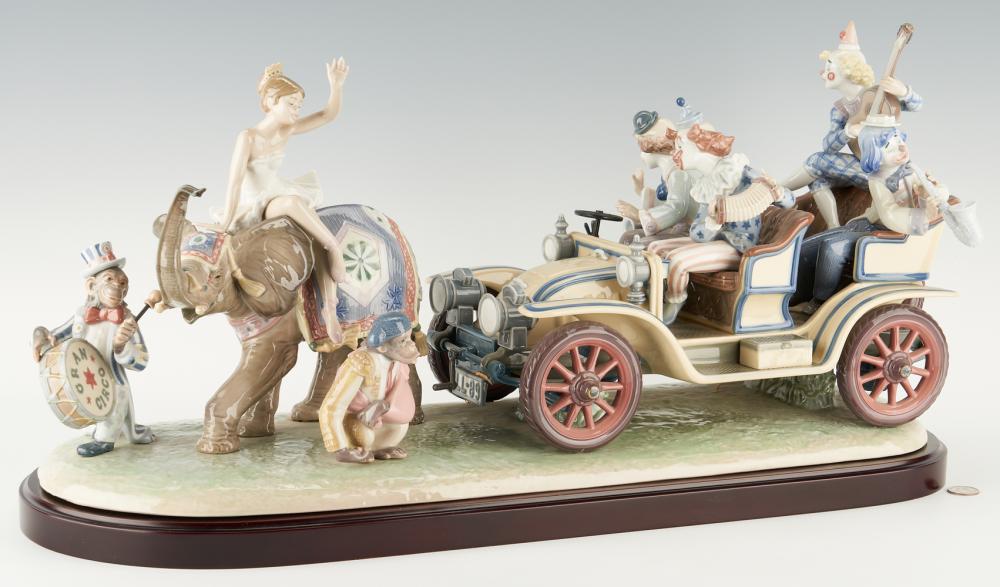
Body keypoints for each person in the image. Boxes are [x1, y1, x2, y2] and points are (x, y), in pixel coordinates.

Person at [217, 60, 351, 341]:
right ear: (270, 101)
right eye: (291, 103)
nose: (296, 110)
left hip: (278, 192)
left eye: (298, 105)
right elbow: (235, 183)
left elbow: (327, 115)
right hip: (257, 204)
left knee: (312, 230)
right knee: (292, 204)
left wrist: (336, 86)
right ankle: (334, 247)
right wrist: (226, 222)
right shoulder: (248, 137)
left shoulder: (287, 130)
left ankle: (330, 306)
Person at [791, 118, 940, 315]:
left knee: (833, 247)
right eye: (890, 147)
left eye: (899, 140)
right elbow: (887, 212)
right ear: (874, 157)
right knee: (808, 246)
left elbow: (934, 196)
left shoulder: (912, 172)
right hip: (872, 226)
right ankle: (793, 297)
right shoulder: (877, 180)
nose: (901, 148)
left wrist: (931, 197)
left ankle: (820, 303)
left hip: (889, 234)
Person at [648, 123, 794, 324]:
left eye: (680, 148)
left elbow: (789, 201)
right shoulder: (707, 184)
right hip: (715, 241)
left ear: (700, 147)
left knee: (678, 262)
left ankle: (674, 302)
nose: (674, 153)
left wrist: (778, 192)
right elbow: (698, 234)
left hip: (738, 246)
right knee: (654, 248)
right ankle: (653, 298)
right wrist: (712, 222)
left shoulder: (739, 172)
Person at [782, 21, 923, 228]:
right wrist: (848, 131)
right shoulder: (840, 110)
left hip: (881, 169)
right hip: (860, 166)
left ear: (848, 71)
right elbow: (829, 146)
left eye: (829, 67)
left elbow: (917, 105)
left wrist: (904, 92)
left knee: (816, 161)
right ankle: (833, 227)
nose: (823, 73)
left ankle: (776, 190)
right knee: (817, 180)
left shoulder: (879, 96)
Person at [32, 242, 160, 457]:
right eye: (109, 280)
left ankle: (105, 440)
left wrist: (121, 346)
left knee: (116, 402)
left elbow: (141, 361)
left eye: (122, 282)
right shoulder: (82, 314)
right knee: (103, 407)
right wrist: (39, 335)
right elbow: (55, 337)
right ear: (92, 286)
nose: (117, 287)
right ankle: (128, 430)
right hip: (86, 379)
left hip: (113, 381)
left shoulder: (127, 321)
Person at [318, 311, 420, 464]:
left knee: (400, 426)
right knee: (364, 433)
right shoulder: (361, 363)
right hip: (357, 422)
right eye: (403, 340)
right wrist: (341, 449)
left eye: (409, 338)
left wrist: (382, 406)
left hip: (380, 420)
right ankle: (355, 448)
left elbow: (403, 402)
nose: (411, 344)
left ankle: (380, 447)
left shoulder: (397, 363)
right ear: (382, 347)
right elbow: (332, 407)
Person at [617, 99, 701, 245]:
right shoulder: (670, 172)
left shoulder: (678, 173)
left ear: (652, 148)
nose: (641, 156)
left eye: (641, 149)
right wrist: (640, 190)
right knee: (629, 237)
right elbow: (667, 202)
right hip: (680, 226)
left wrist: (638, 215)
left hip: (691, 230)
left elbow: (676, 208)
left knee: (634, 241)